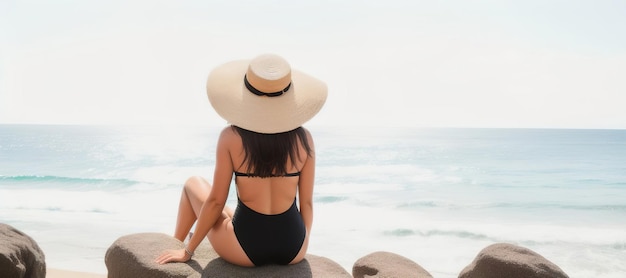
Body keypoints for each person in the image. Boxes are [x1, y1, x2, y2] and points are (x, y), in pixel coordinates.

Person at [155, 54, 327, 266]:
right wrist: (303, 241)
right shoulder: (305, 139)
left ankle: (179, 245)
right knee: (228, 213)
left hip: (246, 248)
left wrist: (190, 251)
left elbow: (216, 200)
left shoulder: (231, 137)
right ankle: (185, 243)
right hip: (293, 248)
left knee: (193, 184)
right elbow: (307, 203)